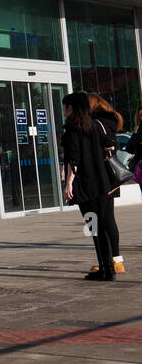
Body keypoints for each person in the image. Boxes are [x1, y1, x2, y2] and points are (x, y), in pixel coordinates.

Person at [60, 91, 119, 282]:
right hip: (102, 183)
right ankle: (108, 268)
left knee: (94, 226)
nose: (63, 111)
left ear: (71, 108)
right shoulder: (94, 126)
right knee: (101, 226)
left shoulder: (72, 129)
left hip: (86, 186)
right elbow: (109, 145)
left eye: (65, 107)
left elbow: (73, 159)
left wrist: (68, 183)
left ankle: (104, 268)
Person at [85, 93, 126, 275]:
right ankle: (115, 261)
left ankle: (107, 262)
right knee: (109, 219)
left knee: (98, 220)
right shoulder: (109, 122)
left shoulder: (96, 124)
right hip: (110, 178)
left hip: (99, 178)